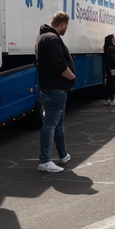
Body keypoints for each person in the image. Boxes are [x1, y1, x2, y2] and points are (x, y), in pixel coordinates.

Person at [36, 11, 76, 173]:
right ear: (63, 24)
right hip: (56, 88)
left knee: (57, 122)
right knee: (51, 123)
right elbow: (59, 64)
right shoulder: (52, 38)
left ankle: (63, 154)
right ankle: (44, 160)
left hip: (52, 87)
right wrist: (72, 78)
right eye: (67, 26)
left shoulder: (43, 37)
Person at [104, 34, 115, 106]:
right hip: (112, 68)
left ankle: (106, 99)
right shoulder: (112, 47)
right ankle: (112, 100)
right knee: (111, 84)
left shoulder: (107, 47)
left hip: (108, 68)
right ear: (112, 39)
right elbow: (112, 58)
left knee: (108, 84)